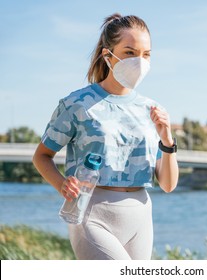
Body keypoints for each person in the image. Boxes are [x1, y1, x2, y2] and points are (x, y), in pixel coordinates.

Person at [33, 13, 179, 260]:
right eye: (130, 52)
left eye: (146, 55)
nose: (139, 61)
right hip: (91, 213)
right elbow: (42, 156)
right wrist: (61, 185)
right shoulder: (77, 103)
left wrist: (167, 139)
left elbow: (167, 184)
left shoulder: (151, 109)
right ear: (107, 54)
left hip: (141, 215)